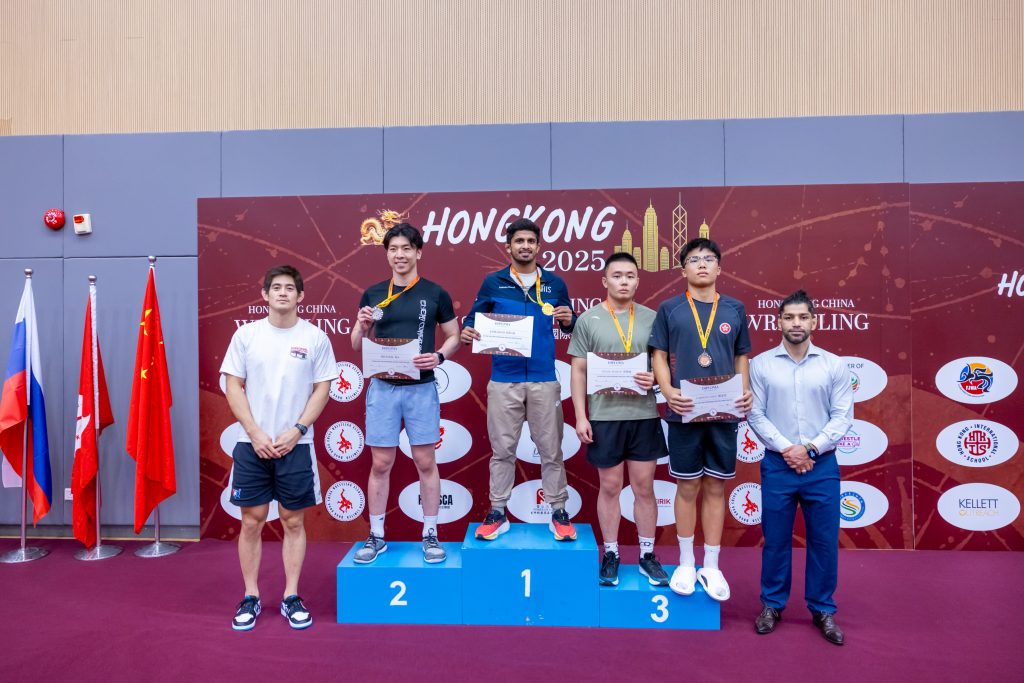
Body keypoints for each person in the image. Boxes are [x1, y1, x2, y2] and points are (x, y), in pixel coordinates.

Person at [222, 265, 337, 631]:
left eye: (290, 288)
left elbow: (323, 389)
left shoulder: (315, 338)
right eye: (276, 288)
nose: (283, 293)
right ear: (265, 295)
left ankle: (291, 596)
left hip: (296, 446)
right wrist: (255, 433)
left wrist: (298, 430)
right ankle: (250, 596)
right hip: (251, 445)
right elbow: (233, 385)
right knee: (251, 521)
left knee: (293, 520)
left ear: (300, 296)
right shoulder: (247, 336)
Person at [747, 289, 853, 645]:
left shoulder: (834, 365)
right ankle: (772, 605)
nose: (796, 323)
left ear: (814, 322)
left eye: (803, 317)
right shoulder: (761, 365)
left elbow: (842, 417)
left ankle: (822, 608)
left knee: (823, 541)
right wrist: (789, 449)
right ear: (778, 321)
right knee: (776, 541)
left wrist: (809, 448)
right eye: (789, 317)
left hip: (822, 466)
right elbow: (755, 414)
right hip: (778, 464)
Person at [350, 223, 461, 564]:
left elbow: (454, 336)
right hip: (383, 388)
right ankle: (376, 535)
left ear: (418, 252)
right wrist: (362, 327)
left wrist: (439, 356)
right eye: (393, 249)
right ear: (387, 254)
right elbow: (355, 344)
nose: (400, 255)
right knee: (381, 463)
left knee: (426, 461)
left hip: (421, 388)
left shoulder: (435, 293)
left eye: (406, 248)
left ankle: (430, 533)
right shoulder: (372, 294)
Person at [461, 218, 578, 541]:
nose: (525, 246)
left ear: (538, 246)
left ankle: (558, 511)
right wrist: (469, 330)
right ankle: (498, 512)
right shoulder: (493, 282)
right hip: (504, 380)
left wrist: (569, 318)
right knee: (502, 451)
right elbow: (473, 320)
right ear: (508, 247)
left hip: (543, 379)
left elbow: (570, 325)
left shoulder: (555, 284)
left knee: (551, 451)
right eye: (519, 241)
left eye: (530, 241)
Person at [650, 237, 752, 601]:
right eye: (694, 259)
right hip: (685, 411)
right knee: (687, 486)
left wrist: (745, 388)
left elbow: (741, 356)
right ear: (683, 270)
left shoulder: (735, 309)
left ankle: (711, 564)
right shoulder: (670, 309)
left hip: (724, 413)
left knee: (715, 487)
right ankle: (686, 562)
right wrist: (667, 390)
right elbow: (659, 355)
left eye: (709, 258)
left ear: (719, 268)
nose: (702, 264)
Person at [568, 252, 669, 586]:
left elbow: (664, 365)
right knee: (610, 487)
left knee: (644, 487)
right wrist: (581, 416)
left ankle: (647, 555)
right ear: (605, 280)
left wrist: (655, 379)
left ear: (637, 280)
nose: (623, 281)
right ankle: (610, 553)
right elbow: (578, 370)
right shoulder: (588, 320)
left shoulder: (653, 319)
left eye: (629, 276)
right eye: (617, 275)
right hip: (604, 417)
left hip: (643, 416)